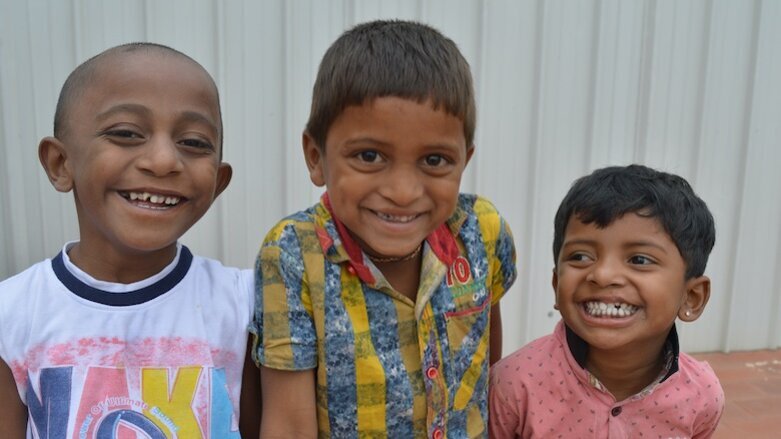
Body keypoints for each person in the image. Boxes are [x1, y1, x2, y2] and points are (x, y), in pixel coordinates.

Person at [251, 19, 517, 438]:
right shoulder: (293, 255)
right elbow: (288, 425)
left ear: (464, 160)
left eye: (434, 160)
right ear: (316, 156)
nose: (403, 192)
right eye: (370, 155)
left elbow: (486, 363)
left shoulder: (481, 231)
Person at [0, 43, 260, 438]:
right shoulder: (12, 314)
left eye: (193, 142)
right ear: (60, 164)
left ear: (218, 182)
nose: (162, 161)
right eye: (125, 133)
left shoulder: (243, 307)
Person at [489, 164, 724, 438]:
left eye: (639, 260)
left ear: (692, 297)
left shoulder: (702, 396)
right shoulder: (513, 385)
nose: (602, 275)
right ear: (556, 285)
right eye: (580, 256)